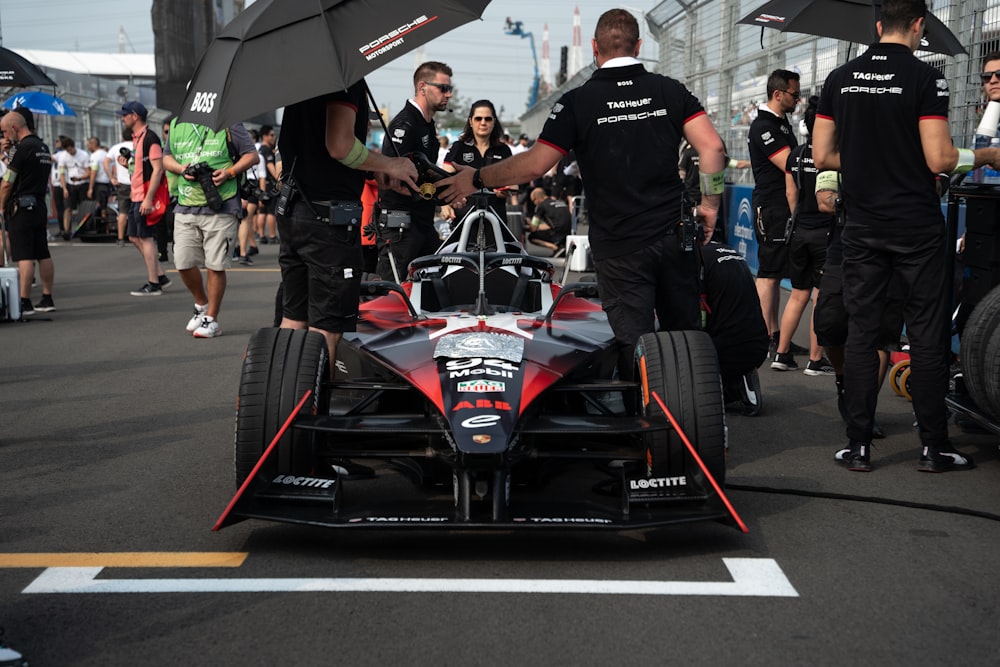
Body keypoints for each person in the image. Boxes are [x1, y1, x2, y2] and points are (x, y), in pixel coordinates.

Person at [439, 8, 726, 376]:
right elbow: (713, 149)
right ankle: (692, 421)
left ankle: (642, 422)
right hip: (674, 235)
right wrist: (709, 205)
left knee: (633, 344)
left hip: (620, 245)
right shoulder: (669, 89)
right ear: (638, 45)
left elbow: (534, 165)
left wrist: (476, 178)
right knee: (685, 336)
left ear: (594, 47)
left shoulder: (577, 102)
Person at [813, 0, 1000, 472]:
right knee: (926, 335)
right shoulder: (925, 78)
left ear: (878, 26)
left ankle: (857, 447)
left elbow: (822, 156)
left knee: (862, 334)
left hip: (862, 225)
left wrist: (866, 158)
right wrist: (986, 156)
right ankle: (933, 448)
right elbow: (939, 159)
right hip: (914, 225)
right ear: (919, 24)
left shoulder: (839, 79)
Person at [276, 80, 418, 370]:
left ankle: (286, 402)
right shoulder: (343, 78)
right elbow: (339, 146)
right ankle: (312, 407)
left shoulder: (302, 80)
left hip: (294, 209)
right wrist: (390, 165)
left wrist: (375, 168)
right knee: (326, 326)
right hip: (328, 218)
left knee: (294, 317)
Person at [162, 119, 258, 338]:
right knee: (182, 261)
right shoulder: (176, 124)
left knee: (215, 265)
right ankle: (201, 304)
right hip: (186, 204)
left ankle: (212, 319)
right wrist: (181, 168)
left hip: (222, 204)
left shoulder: (228, 120)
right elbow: (167, 156)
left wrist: (229, 172)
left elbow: (252, 155)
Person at [770, 96, 834, 376]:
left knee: (798, 294)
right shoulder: (831, 156)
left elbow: (790, 194)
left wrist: (800, 219)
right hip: (824, 233)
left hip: (798, 232)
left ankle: (781, 354)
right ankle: (815, 360)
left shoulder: (794, 154)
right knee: (820, 297)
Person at [376, 61, 454, 282]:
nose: (448, 94)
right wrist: (439, 194)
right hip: (401, 225)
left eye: (450, 89)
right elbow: (389, 178)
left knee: (428, 290)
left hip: (422, 223)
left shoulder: (426, 123)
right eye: (443, 88)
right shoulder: (405, 124)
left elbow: (425, 172)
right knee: (395, 294)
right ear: (422, 87)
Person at [747, 69, 799, 356]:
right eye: (794, 94)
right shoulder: (763, 127)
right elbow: (789, 162)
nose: (798, 99)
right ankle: (759, 335)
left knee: (777, 273)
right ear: (777, 94)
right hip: (772, 207)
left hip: (783, 205)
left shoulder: (781, 124)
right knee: (768, 273)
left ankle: (776, 334)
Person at [700, 240, 769, 415]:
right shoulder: (732, 253)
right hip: (759, 344)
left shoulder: (697, 261)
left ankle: (733, 385)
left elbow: (696, 320)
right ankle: (740, 378)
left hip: (725, 352)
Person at [0, 109, 55, 315]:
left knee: (24, 255)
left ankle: (24, 302)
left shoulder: (21, 149)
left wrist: (1, 206)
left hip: (21, 206)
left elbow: (8, 182)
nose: (5, 136)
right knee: (43, 253)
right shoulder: (42, 146)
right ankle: (47, 298)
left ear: (15, 128)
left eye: (5, 132)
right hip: (40, 205)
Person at [116, 101, 171, 296]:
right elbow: (142, 169)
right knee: (133, 236)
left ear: (135, 116)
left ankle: (154, 283)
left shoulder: (150, 139)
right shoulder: (138, 139)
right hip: (136, 194)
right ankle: (160, 276)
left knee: (145, 237)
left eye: (125, 115)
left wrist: (148, 199)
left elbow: (158, 170)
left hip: (144, 196)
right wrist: (126, 166)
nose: (122, 118)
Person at [442, 99, 512, 224]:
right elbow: (443, 180)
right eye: (478, 119)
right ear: (470, 121)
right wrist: (445, 205)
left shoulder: (504, 150)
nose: (483, 123)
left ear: (494, 121)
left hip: (496, 218)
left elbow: (514, 183)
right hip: (463, 218)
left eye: (488, 119)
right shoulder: (458, 147)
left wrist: (506, 190)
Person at [56, 137, 90, 240]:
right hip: (70, 184)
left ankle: (82, 230)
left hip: (82, 183)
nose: (69, 152)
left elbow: (88, 172)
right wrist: (64, 188)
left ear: (73, 146)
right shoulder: (63, 157)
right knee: (68, 208)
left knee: (83, 208)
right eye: (67, 150)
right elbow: (61, 173)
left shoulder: (83, 155)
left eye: (70, 149)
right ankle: (67, 231)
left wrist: (80, 178)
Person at [106, 128, 134, 247]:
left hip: (122, 184)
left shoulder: (116, 147)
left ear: (122, 136)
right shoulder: (136, 145)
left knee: (123, 212)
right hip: (136, 183)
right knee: (138, 211)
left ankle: (120, 238)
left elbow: (105, 161)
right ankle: (138, 236)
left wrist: (112, 177)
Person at [526, 187, 571, 255]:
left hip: (557, 234)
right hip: (568, 233)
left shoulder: (541, 206)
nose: (534, 203)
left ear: (537, 197)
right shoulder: (560, 202)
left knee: (532, 237)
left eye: (533, 200)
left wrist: (526, 225)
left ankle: (555, 247)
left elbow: (533, 228)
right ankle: (561, 245)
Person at [257, 124, 280, 245]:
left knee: (262, 211)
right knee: (271, 212)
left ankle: (261, 235)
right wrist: (279, 177)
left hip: (261, 184)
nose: (273, 137)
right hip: (269, 185)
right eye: (271, 135)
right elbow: (271, 167)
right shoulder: (267, 151)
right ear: (264, 136)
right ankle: (272, 235)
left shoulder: (260, 149)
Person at [85, 136, 111, 222]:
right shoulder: (106, 154)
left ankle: (100, 224)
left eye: (88, 144)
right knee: (104, 205)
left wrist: (90, 188)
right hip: (107, 183)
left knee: (99, 206)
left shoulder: (95, 156)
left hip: (99, 184)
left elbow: (93, 172)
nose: (87, 147)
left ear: (93, 144)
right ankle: (106, 225)